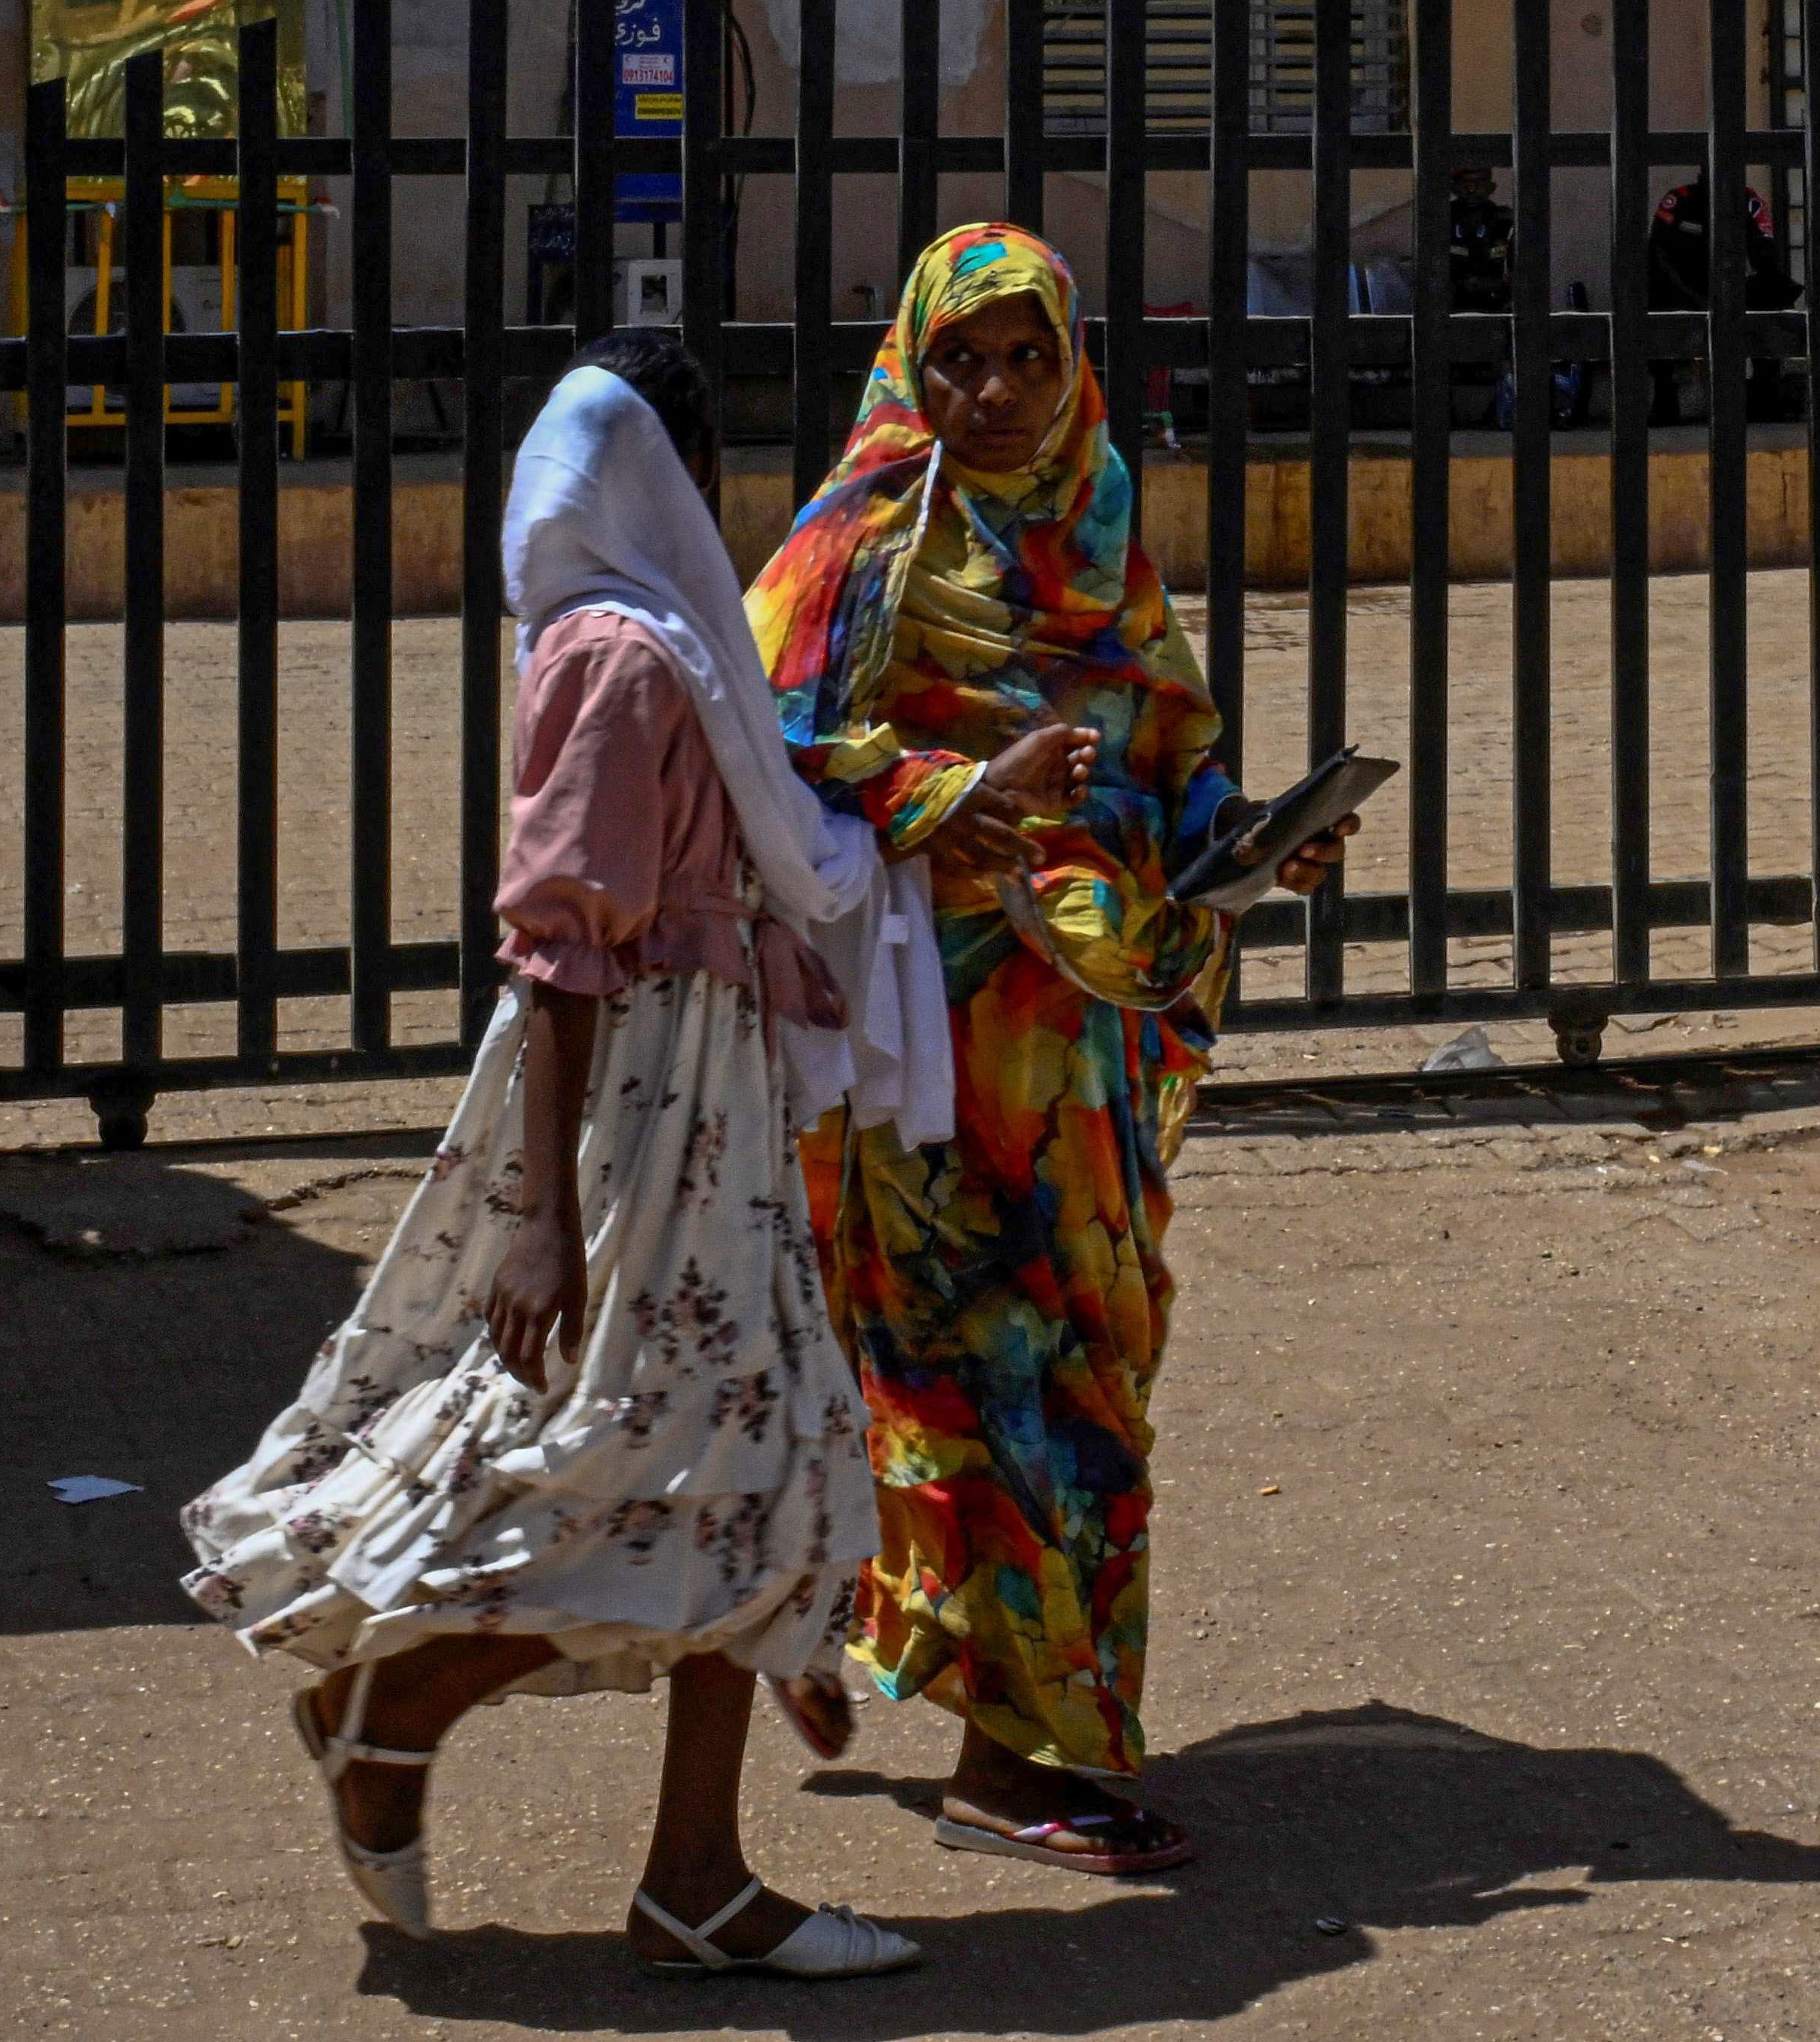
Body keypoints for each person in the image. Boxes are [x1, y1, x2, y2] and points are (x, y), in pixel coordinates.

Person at [183, 333, 943, 1978]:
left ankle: (692, 1876)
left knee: (755, 1457)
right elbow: (559, 943)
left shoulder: (671, 652)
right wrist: (542, 1217)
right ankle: (398, 1702)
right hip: (637, 1109)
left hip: (706, 1100)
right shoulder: (620, 656)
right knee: (628, 1455)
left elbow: (774, 856)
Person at [755, 225, 1343, 1878]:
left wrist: (1246, 839)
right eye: (961, 358)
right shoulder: (862, 538)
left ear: (1072, 364)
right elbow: (766, 747)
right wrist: (957, 799)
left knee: (1088, 1356)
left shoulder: (1099, 535)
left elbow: (1166, 750)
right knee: (981, 1365)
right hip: (923, 1050)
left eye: (1024, 357)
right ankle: (1015, 1761)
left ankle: (974, 1702)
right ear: (909, 362)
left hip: (1075, 1064)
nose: (993, 391)